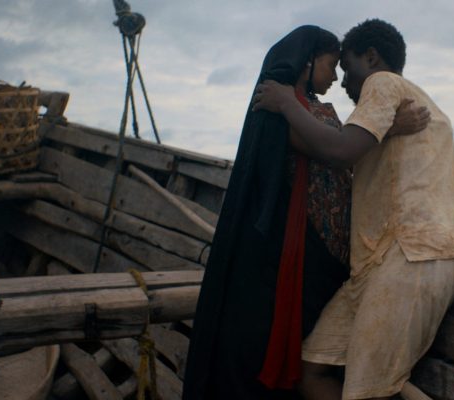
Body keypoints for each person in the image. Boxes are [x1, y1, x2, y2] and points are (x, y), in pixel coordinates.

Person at [183, 25, 429, 399]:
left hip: (326, 262)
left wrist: (389, 129)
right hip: (297, 256)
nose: (335, 76)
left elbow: (341, 148)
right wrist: (286, 102)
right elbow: (330, 150)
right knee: (274, 357)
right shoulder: (277, 104)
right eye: (331, 65)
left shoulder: (306, 108)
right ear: (307, 60)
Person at [252, 19, 454, 400]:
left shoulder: (382, 84)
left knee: (367, 392)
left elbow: (339, 151)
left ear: (371, 58)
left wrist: (287, 103)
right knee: (311, 372)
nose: (341, 82)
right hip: (378, 266)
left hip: (411, 258)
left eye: (347, 68)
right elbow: (346, 152)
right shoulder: (407, 108)